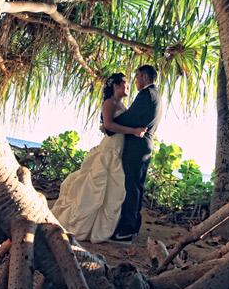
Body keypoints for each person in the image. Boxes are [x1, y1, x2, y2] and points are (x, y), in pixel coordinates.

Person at [51, 73, 146, 243]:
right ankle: (82, 226)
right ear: (115, 86)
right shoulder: (110, 102)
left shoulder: (123, 105)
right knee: (96, 187)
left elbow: (111, 125)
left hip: (118, 149)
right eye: (125, 84)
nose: (128, 87)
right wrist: (132, 131)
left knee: (113, 190)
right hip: (109, 149)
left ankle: (104, 228)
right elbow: (109, 124)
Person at [107, 65, 162, 244]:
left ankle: (125, 232)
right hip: (143, 146)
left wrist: (109, 126)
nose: (135, 81)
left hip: (137, 147)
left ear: (145, 77)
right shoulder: (156, 95)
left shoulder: (146, 95)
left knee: (131, 187)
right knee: (137, 186)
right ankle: (133, 226)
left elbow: (131, 117)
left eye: (137, 77)